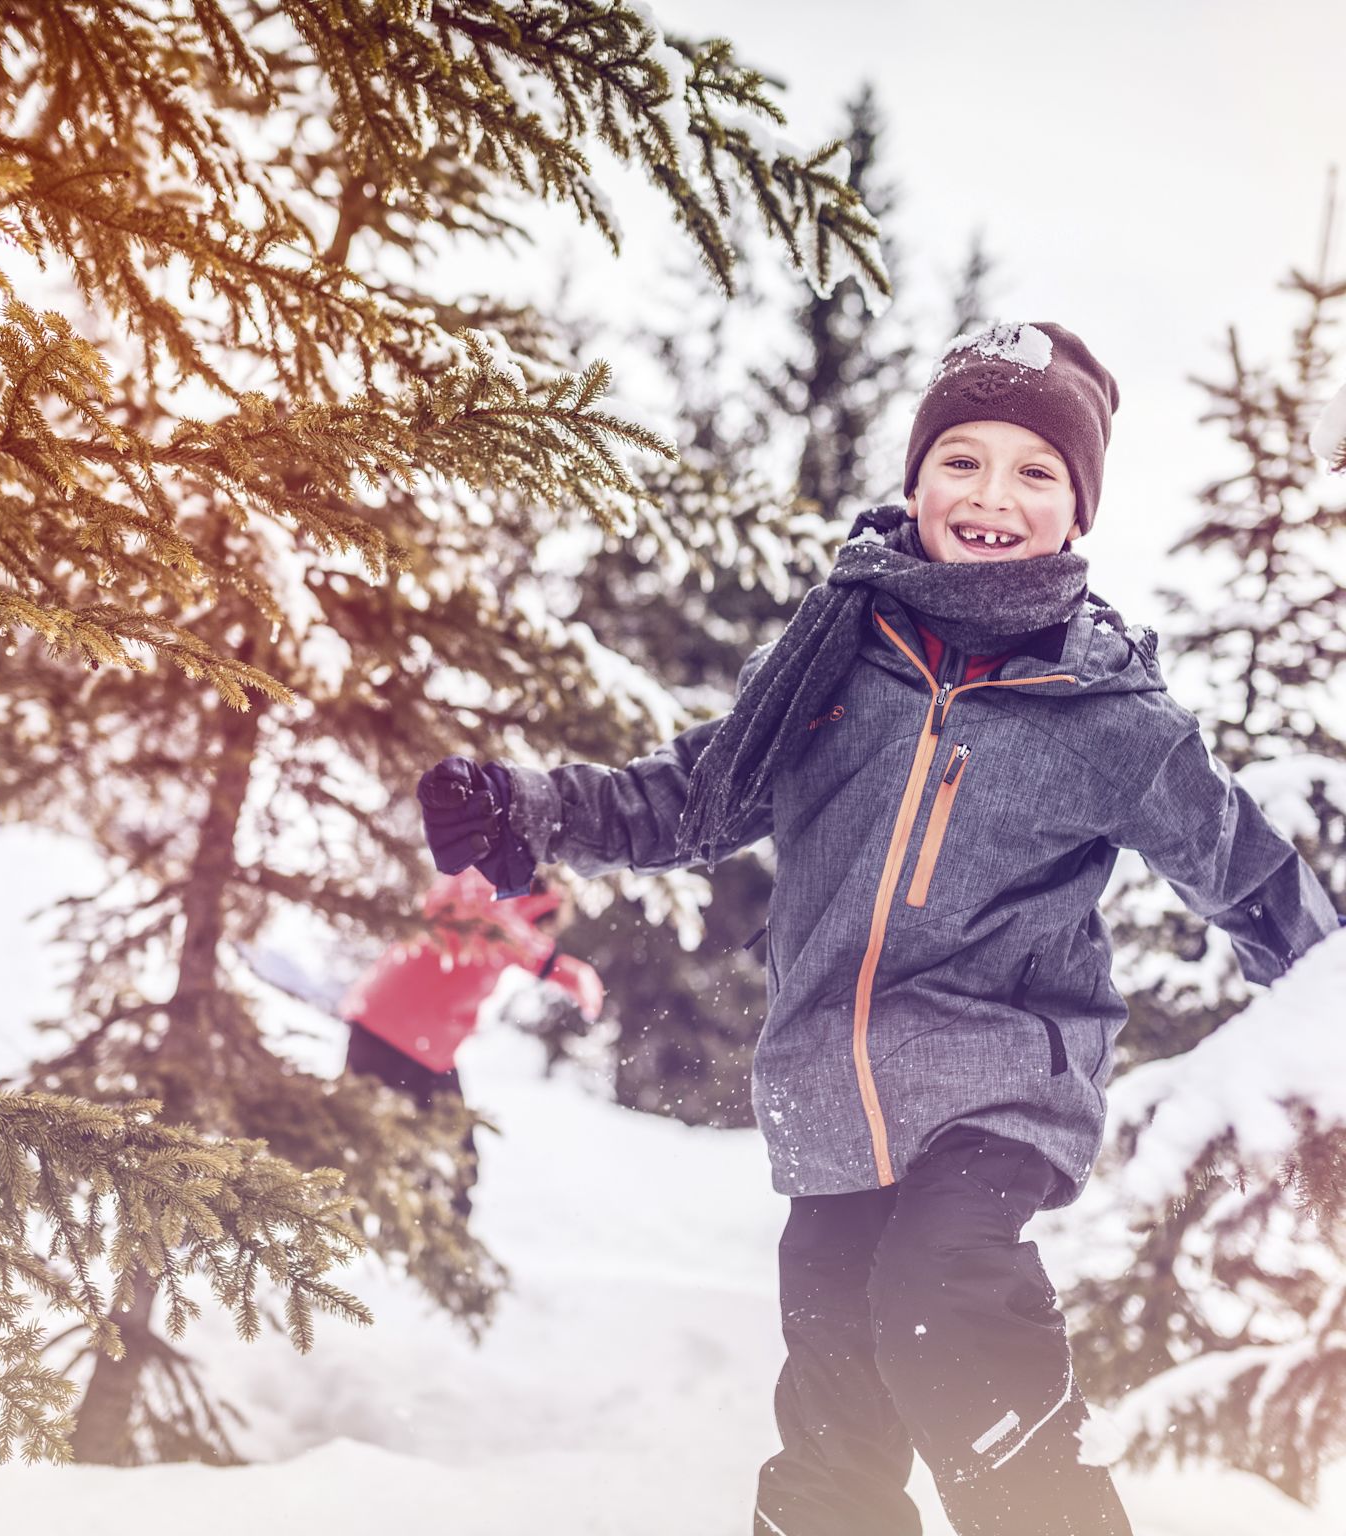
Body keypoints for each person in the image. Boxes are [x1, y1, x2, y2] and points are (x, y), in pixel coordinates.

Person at [414, 321, 1341, 1535]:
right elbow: (695, 797)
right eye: (961, 459)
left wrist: (1330, 1025)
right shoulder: (835, 656)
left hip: (1001, 1080)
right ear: (915, 481)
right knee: (835, 1414)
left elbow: (1253, 879)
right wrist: (531, 810)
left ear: (1078, 512)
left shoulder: (1110, 714)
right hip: (830, 1092)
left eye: (1035, 471)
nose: (991, 494)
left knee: (941, 1297)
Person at [338, 867, 602, 1208]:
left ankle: (437, 1235)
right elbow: (491, 919)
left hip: (420, 1046)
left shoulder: (508, 925)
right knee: (357, 1134)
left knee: (456, 1159)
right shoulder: (482, 886)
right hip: (388, 1032)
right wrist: (556, 965)